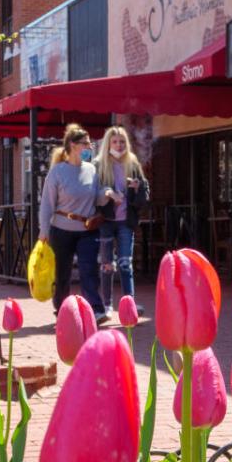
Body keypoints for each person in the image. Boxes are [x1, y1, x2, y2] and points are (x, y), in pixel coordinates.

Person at [37, 124, 105, 316]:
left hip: (88, 230)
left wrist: (107, 194)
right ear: (73, 145)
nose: (90, 147)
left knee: (89, 270)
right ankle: (62, 309)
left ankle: (95, 310)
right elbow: (47, 204)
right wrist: (44, 230)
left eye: (90, 143)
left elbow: (96, 198)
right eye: (86, 144)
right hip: (61, 230)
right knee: (62, 274)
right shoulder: (57, 172)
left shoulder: (92, 170)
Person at [94, 125, 148, 323]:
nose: (119, 145)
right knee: (107, 266)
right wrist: (108, 194)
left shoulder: (132, 164)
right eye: (115, 141)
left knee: (126, 265)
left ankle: (129, 306)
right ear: (108, 143)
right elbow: (93, 193)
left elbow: (144, 195)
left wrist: (136, 189)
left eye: (122, 141)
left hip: (125, 222)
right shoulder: (99, 165)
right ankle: (106, 307)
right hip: (106, 222)